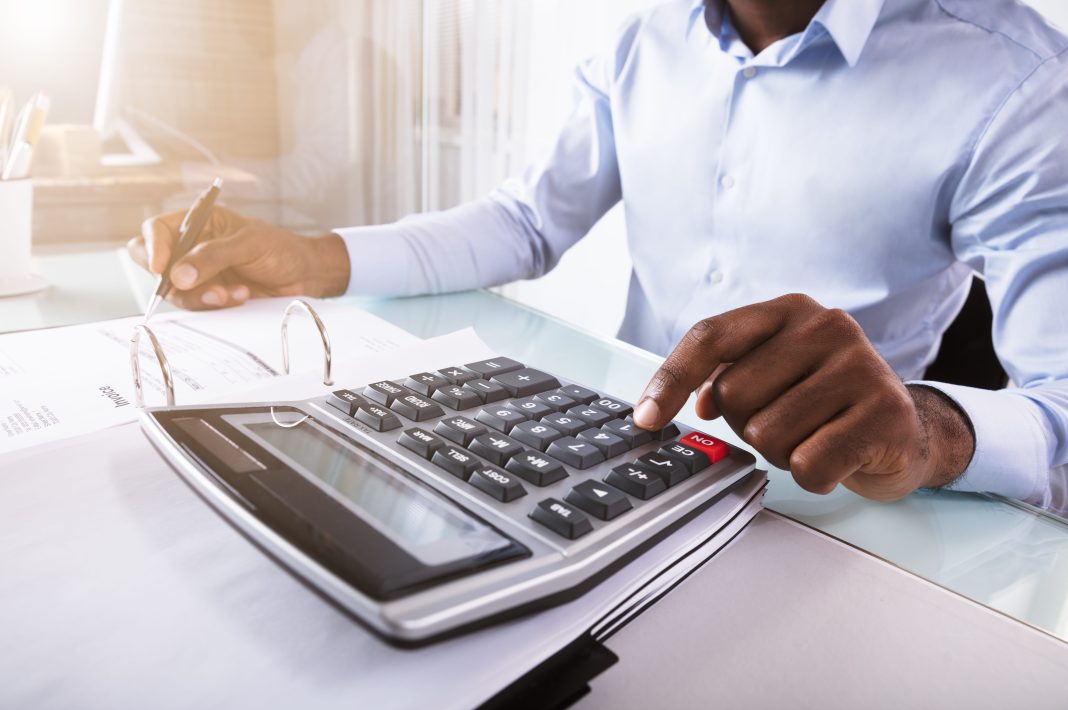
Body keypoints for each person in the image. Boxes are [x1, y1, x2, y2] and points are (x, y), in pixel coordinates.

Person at [128, 0, 1068, 514]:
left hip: (829, 503)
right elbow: (529, 222)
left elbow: (1059, 414)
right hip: (611, 448)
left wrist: (920, 428)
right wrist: (311, 258)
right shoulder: (643, 38)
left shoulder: (1017, 81)